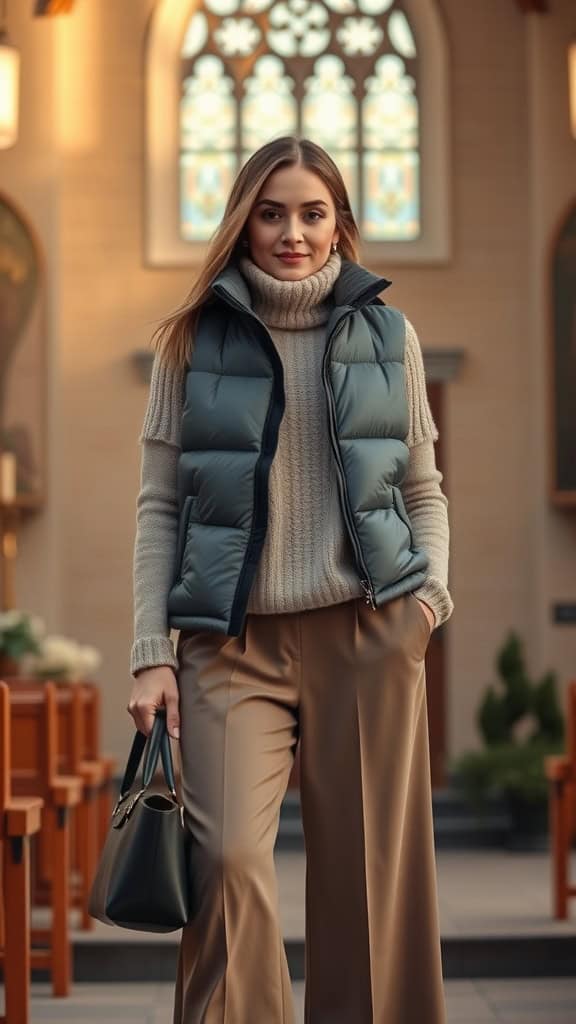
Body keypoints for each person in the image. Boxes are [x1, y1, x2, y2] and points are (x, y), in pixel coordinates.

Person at [128, 136, 453, 1024]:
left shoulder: (392, 334)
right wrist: (150, 653)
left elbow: (423, 489)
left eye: (312, 214)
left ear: (341, 224)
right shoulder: (190, 342)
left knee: (368, 887)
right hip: (230, 645)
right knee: (228, 863)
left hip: (367, 631)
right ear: (242, 222)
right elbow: (161, 507)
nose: (292, 234)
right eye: (271, 213)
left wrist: (426, 608)